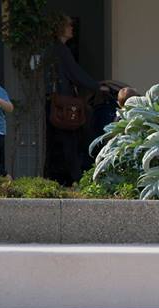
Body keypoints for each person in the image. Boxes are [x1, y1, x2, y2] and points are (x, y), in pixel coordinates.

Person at [45, 14, 109, 185]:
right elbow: (75, 73)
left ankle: (54, 177)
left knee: (55, 141)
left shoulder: (54, 49)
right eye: (68, 25)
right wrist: (96, 86)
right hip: (64, 104)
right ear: (61, 28)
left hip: (54, 102)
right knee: (70, 139)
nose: (72, 28)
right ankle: (76, 178)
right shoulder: (62, 50)